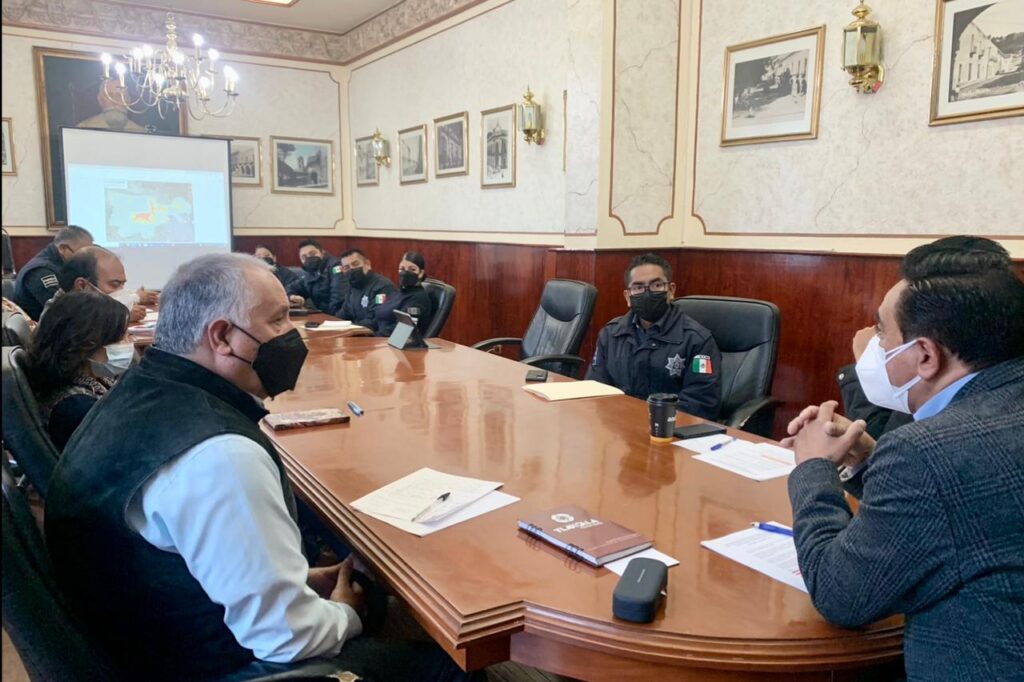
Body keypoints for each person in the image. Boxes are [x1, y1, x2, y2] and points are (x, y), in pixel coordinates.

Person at [44, 254, 469, 681]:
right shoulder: (219, 455)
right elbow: (289, 638)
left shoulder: (137, 395)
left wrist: (295, 581)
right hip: (209, 667)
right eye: (278, 320)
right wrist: (348, 612)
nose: (292, 334)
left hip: (140, 638)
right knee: (449, 666)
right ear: (223, 337)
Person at [784, 267, 1024, 681]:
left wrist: (813, 468)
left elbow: (840, 595)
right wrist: (869, 458)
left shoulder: (928, 450)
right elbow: (955, 508)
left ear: (926, 355)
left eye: (881, 333)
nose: (873, 346)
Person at [586, 253, 722, 420]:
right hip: (618, 424)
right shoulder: (611, 334)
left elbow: (701, 403)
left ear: (671, 290)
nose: (647, 293)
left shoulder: (697, 340)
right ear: (628, 296)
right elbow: (595, 388)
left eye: (656, 285)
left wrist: (646, 418)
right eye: (638, 287)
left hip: (669, 428)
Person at [24, 290, 130, 450]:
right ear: (89, 344)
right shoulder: (76, 407)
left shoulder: (85, 376)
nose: (129, 343)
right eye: (122, 338)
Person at [40, 246, 151, 324]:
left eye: (122, 284)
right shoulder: (61, 319)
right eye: (114, 285)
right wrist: (123, 318)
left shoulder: (81, 308)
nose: (121, 291)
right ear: (82, 285)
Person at [13, 225, 93, 320]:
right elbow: (62, 309)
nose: (86, 259)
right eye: (82, 253)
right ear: (63, 249)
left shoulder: (62, 264)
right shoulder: (41, 271)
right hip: (40, 326)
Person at [330, 248, 398, 329]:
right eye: (346, 267)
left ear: (367, 264)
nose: (351, 269)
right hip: (358, 331)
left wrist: (351, 329)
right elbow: (344, 312)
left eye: (355, 264)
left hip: (376, 334)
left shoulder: (382, 286)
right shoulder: (353, 286)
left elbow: (375, 320)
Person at [371, 251, 434, 337]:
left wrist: (372, 338)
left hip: (390, 341)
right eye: (402, 269)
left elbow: (402, 332)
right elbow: (377, 316)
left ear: (421, 273)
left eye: (412, 269)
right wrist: (363, 331)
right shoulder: (396, 293)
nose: (405, 273)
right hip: (376, 337)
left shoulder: (419, 299)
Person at [286, 238, 342, 313]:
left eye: (312, 254)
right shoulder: (310, 272)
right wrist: (292, 296)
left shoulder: (335, 267)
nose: (309, 258)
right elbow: (291, 288)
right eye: (304, 257)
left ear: (322, 253)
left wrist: (329, 317)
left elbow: (338, 296)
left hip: (337, 315)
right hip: (322, 315)